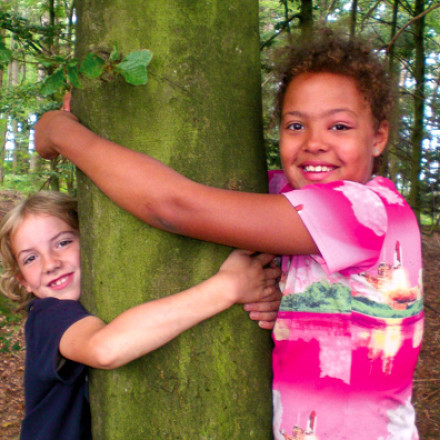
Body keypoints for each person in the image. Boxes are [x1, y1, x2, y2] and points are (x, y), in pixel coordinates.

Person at [34, 30, 423, 439]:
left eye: (339, 126)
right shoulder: (293, 199)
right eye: (295, 125)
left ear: (378, 137)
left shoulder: (364, 210)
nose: (314, 143)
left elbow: (176, 206)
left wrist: (63, 133)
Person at [0, 191, 281, 440]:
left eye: (62, 243)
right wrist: (227, 287)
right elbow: (104, 348)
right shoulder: (48, 316)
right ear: (23, 281)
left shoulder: (89, 305)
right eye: (30, 258)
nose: (50, 263)